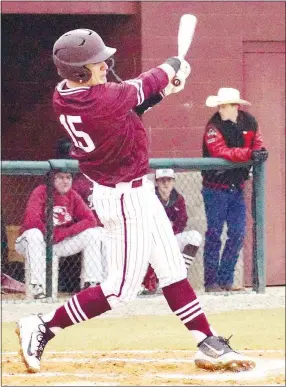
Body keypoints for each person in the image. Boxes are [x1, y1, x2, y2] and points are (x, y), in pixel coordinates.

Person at [16, 29, 255, 373]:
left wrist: (163, 90)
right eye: (98, 63)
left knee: (172, 269)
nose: (105, 66)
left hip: (135, 192)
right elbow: (144, 83)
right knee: (119, 290)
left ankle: (207, 341)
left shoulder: (64, 94)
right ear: (81, 71)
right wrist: (174, 67)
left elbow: (129, 106)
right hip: (123, 199)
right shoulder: (102, 99)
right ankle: (43, 325)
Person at [201, 87, 268, 292]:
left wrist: (259, 151)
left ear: (235, 107)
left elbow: (258, 143)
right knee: (214, 233)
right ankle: (211, 282)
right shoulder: (213, 127)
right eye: (220, 106)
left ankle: (225, 280)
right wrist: (250, 154)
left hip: (236, 187)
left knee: (238, 233)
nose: (221, 109)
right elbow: (220, 152)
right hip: (215, 189)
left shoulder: (250, 121)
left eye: (224, 106)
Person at [15, 169, 106, 298]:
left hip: (58, 242)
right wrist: (49, 234)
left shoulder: (73, 195)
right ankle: (37, 286)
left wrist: (64, 233)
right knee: (34, 234)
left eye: (68, 177)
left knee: (93, 234)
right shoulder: (41, 192)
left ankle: (91, 284)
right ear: (52, 179)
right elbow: (31, 221)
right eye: (60, 177)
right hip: (32, 243)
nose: (65, 181)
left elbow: (91, 219)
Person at [141, 168, 202, 294]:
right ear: (156, 182)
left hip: (170, 238)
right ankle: (150, 283)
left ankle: (178, 277)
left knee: (195, 236)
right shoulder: (149, 198)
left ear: (173, 182)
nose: (166, 184)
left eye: (169, 180)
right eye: (162, 180)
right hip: (151, 240)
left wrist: (168, 231)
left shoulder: (178, 199)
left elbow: (182, 221)